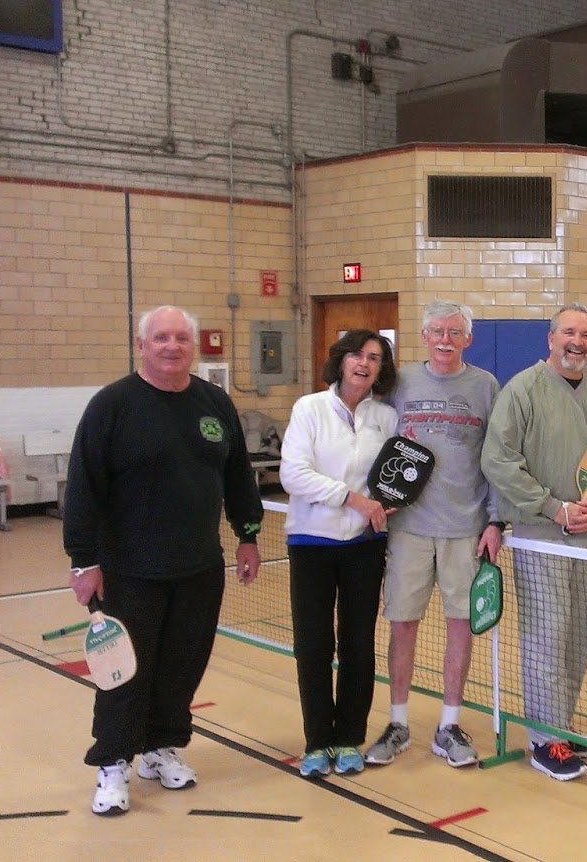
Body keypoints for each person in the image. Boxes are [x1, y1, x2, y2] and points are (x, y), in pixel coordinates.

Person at [64, 305, 263, 816]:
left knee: (182, 666)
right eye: (160, 338)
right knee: (123, 673)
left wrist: (248, 534)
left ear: (192, 346)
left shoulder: (214, 403)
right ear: (141, 345)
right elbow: (84, 485)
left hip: (199, 566)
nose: (171, 346)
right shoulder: (112, 405)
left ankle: (160, 747)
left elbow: (237, 476)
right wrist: (83, 560)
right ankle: (113, 763)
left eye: (181, 338)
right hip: (128, 571)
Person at [481, 303, 587, 781]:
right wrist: (553, 507)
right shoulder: (522, 389)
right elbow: (498, 460)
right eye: (568, 333)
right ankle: (545, 739)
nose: (577, 342)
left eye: (586, 335)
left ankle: (562, 723)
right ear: (551, 338)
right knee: (547, 634)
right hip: (542, 533)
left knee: (579, 633)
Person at [367, 300, 503, 770]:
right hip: (408, 528)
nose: (446, 339)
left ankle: (449, 725)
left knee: (460, 624)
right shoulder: (399, 382)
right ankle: (398, 723)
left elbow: (496, 457)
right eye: (438, 331)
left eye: (455, 332)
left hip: (465, 529)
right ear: (424, 336)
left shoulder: (485, 386)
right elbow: (374, 444)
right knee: (402, 624)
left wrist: (495, 520)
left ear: (468, 339)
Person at [279, 330, 397, 777]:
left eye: (374, 357)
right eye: (356, 355)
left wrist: (389, 502)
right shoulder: (309, 408)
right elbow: (293, 474)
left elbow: (393, 475)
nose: (364, 363)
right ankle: (316, 741)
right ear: (341, 361)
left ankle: (349, 738)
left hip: (365, 547)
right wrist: (352, 499)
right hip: (311, 544)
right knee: (313, 645)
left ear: (381, 370)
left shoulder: (385, 417)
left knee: (358, 645)